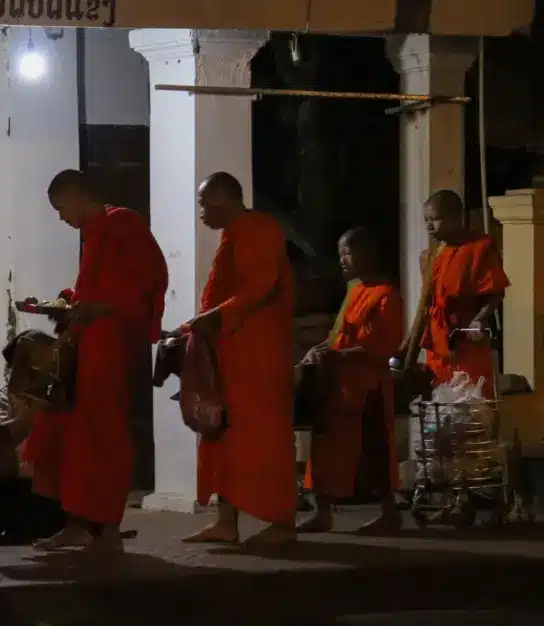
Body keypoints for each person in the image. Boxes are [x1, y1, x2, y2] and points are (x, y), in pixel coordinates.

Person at [22, 169, 168, 552]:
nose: (61, 217)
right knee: (71, 434)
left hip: (109, 348)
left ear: (76, 195)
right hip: (86, 344)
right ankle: (81, 524)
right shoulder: (95, 233)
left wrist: (92, 308)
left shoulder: (123, 223)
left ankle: (103, 528)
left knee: (101, 436)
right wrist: (68, 302)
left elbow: (144, 285)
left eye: (60, 208)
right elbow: (98, 290)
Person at [181, 172, 297, 545]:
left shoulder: (258, 229)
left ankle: (281, 524)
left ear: (224, 199)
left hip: (257, 355)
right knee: (221, 434)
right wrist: (189, 329)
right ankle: (225, 522)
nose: (201, 213)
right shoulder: (235, 233)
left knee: (262, 439)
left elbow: (260, 289)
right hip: (229, 354)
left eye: (204, 204)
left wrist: (211, 319)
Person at [297, 228, 405, 534]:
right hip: (336, 384)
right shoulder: (354, 290)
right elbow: (338, 336)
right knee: (324, 448)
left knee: (373, 450)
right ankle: (322, 513)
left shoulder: (386, 295)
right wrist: (320, 350)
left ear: (368, 255)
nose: (342, 260)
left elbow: (384, 347)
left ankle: (388, 513)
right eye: (340, 254)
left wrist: (340, 356)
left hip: (368, 385)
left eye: (348, 253)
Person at [400, 190, 509, 398]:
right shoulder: (429, 257)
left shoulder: (480, 247)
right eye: (426, 220)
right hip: (438, 344)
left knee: (471, 407)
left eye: (436, 219)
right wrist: (407, 348)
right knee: (440, 407)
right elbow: (425, 306)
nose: (429, 226)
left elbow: (496, 292)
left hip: (466, 339)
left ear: (456, 217)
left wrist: (480, 318)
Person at [0, 332, 66, 543]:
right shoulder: (2, 397)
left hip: (46, 492)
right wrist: (29, 416)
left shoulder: (56, 398)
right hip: (12, 489)